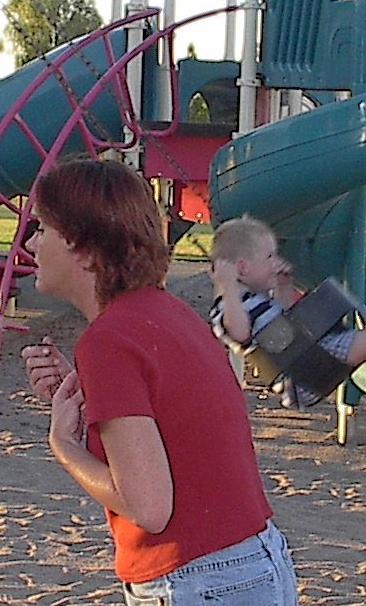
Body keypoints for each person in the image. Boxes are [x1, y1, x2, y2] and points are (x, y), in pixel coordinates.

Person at [20, 159, 298, 605]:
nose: (31, 242)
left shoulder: (108, 341)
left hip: (199, 579)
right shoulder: (165, 315)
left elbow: (149, 507)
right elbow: (176, 438)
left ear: (83, 246)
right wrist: (80, 399)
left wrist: (65, 448)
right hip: (253, 561)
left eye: (43, 228)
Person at [208, 215, 366, 442]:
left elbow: (284, 326)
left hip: (308, 357)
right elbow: (240, 335)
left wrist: (283, 288)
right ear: (242, 268)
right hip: (299, 377)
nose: (276, 263)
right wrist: (228, 286)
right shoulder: (227, 309)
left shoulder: (258, 299)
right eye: (269, 257)